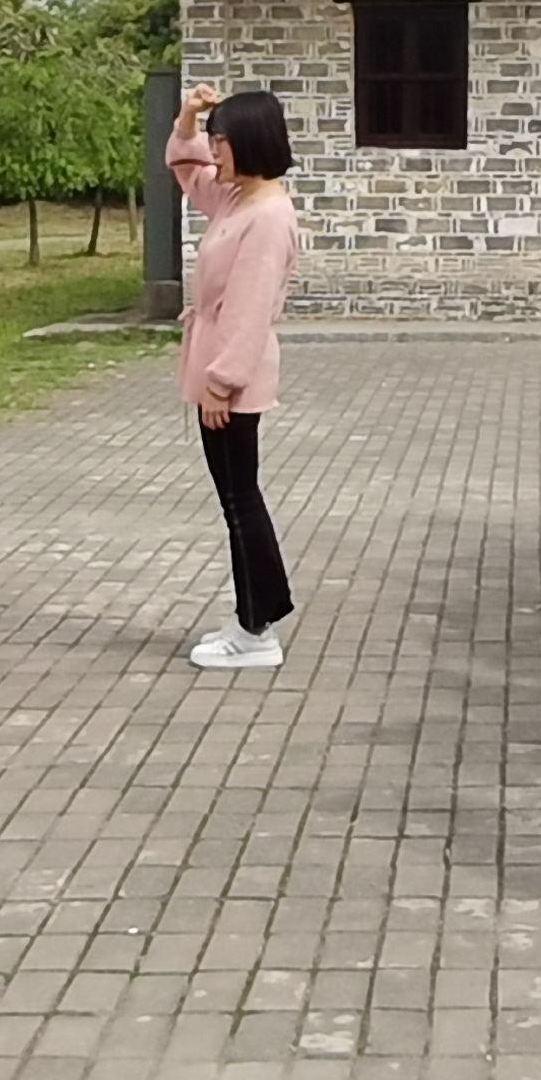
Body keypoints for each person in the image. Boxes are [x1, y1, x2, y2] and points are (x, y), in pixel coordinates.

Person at [167, 85, 304, 671]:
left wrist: (222, 383)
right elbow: (186, 167)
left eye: (220, 140)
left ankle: (256, 630)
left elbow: (250, 309)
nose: (212, 151)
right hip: (218, 368)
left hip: (233, 379)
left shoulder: (267, 216)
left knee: (241, 500)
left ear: (248, 142)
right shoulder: (236, 198)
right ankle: (255, 615)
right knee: (236, 499)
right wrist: (188, 117)